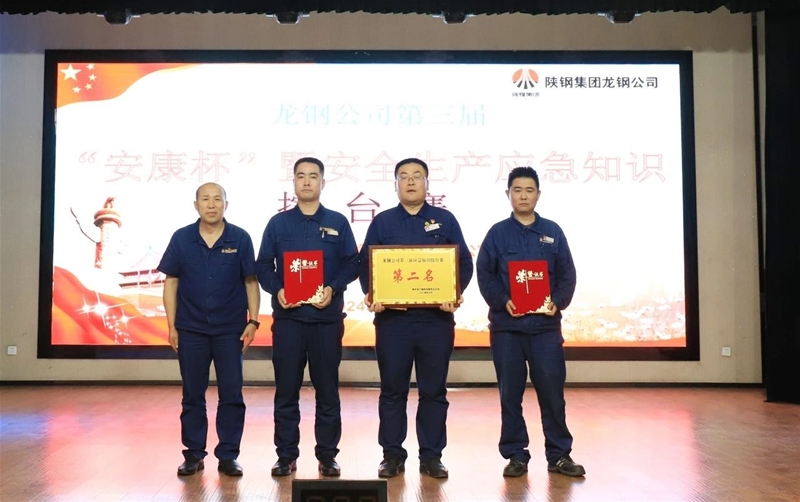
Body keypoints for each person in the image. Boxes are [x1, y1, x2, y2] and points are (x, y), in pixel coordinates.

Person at [358, 158, 474, 479]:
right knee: (392, 391)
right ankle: (392, 455)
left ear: (427, 184)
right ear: (395, 184)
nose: (410, 182)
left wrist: (453, 293)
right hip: (393, 324)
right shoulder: (382, 222)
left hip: (436, 322)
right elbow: (365, 264)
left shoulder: (445, 220)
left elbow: (463, 264)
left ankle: (432, 456)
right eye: (404, 177)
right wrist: (373, 294)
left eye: (417, 176)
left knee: (433, 391)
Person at [476, 166, 585, 478]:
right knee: (510, 395)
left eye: (529, 190)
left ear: (538, 194)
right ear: (508, 194)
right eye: (517, 190)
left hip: (545, 331)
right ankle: (516, 455)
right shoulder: (497, 233)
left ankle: (559, 455)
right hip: (507, 329)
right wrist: (502, 301)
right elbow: (485, 274)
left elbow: (567, 274)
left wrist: (557, 301)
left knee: (552, 395)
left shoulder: (553, 231)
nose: (523, 196)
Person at [256, 157, 359, 477]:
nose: (306, 181)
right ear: (294, 182)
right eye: (300, 176)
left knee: (327, 390)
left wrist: (332, 287)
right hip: (289, 322)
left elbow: (352, 263)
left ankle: (327, 455)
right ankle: (286, 455)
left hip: (326, 321)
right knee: (286, 390)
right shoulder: (278, 224)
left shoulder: (338, 222)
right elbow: (263, 265)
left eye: (313, 176)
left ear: (322, 183)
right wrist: (277, 289)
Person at [158, 182, 261, 477]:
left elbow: (250, 282)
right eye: (205, 199)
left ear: (226, 205)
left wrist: (253, 321)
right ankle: (193, 454)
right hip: (191, 329)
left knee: (231, 394)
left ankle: (228, 455)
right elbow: (171, 283)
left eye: (217, 199)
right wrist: (172, 325)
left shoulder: (240, 238)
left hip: (230, 330)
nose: (212, 204)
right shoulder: (182, 238)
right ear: (196, 205)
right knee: (192, 394)